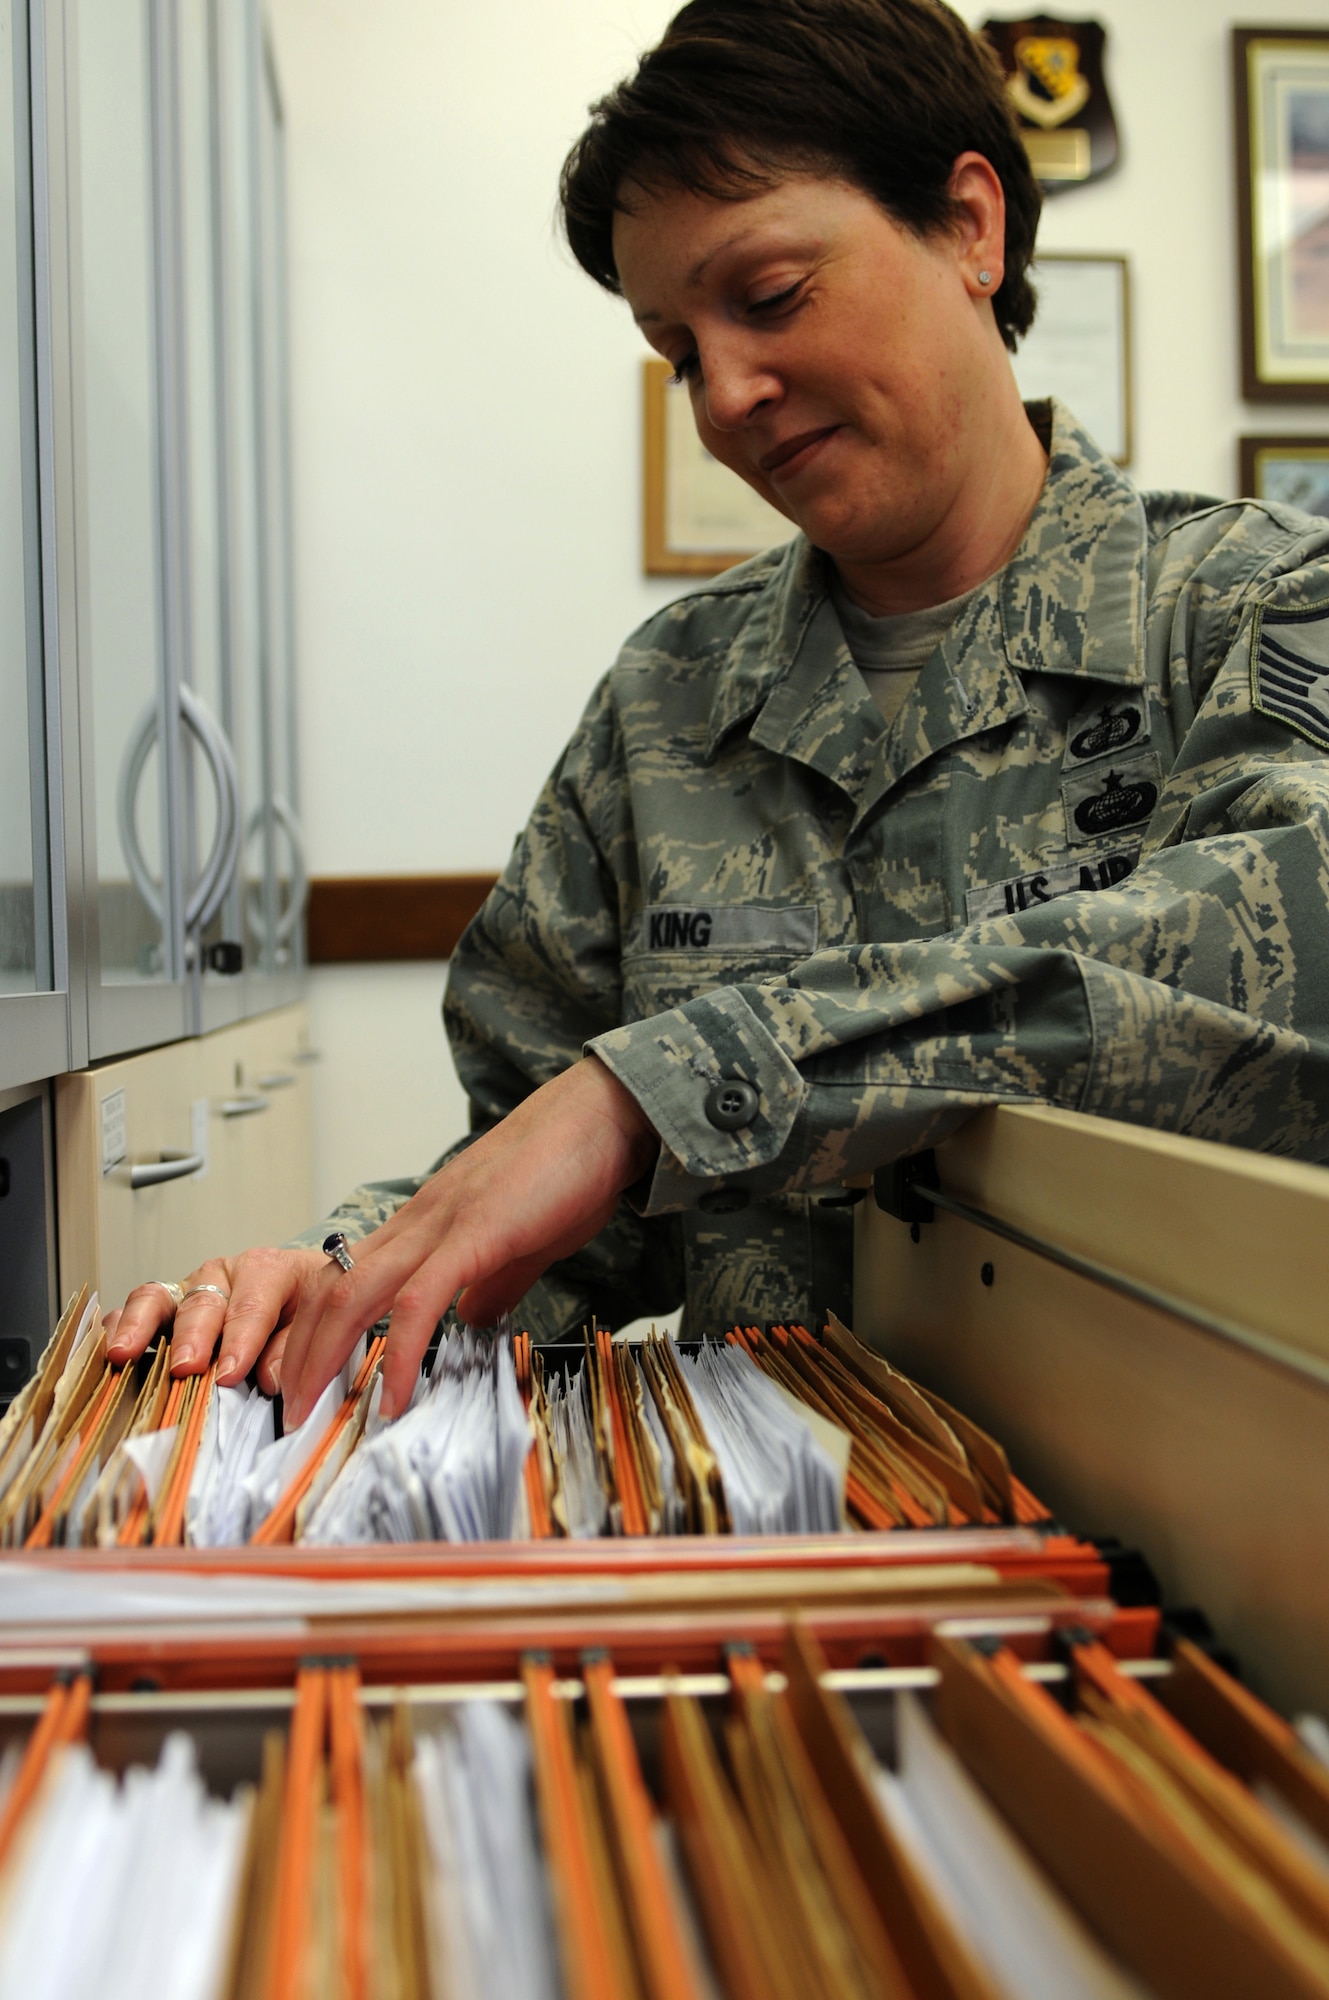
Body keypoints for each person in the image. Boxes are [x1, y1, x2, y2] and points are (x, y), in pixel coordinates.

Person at [107, 0, 1329, 1434]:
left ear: (968, 225)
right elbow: (537, 1179)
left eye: (768, 295)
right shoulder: (664, 702)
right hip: (753, 1560)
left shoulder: (1252, 607)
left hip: (1178, 1555)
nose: (728, 395)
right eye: (678, 351)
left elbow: (1278, 961)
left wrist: (665, 1090)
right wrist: (330, 1282)